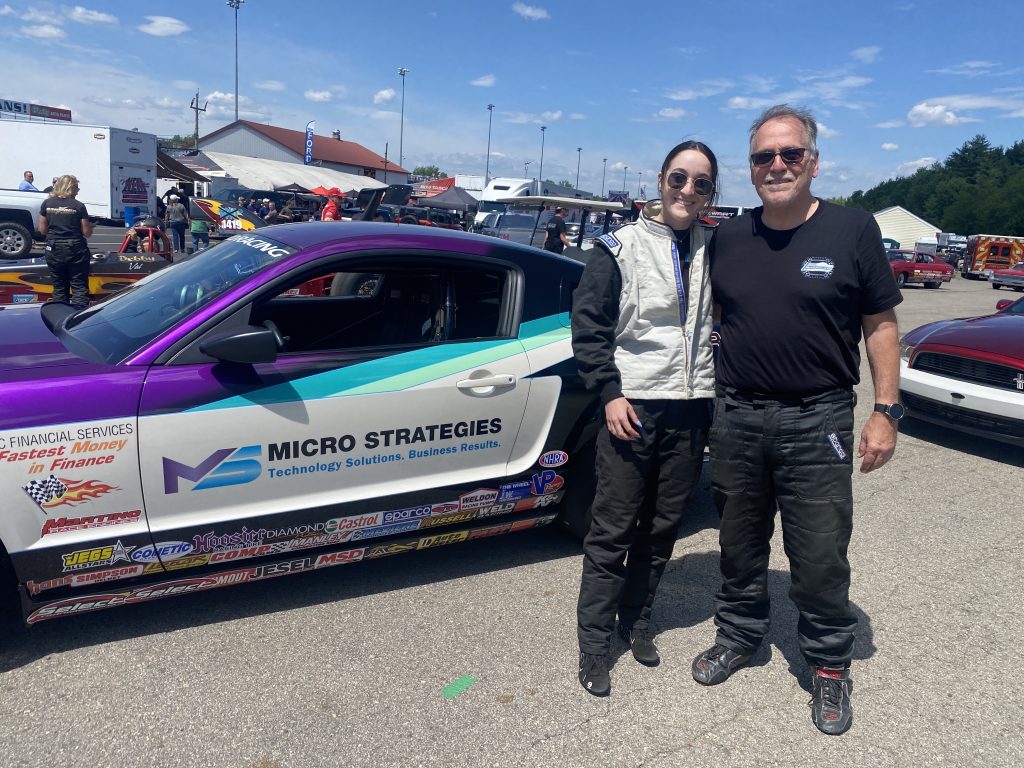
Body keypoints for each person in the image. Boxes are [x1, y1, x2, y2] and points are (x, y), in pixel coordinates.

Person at [692, 104, 902, 736]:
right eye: (764, 157)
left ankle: (830, 664)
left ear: (813, 160)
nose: (776, 165)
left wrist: (886, 411)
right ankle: (741, 633)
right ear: (751, 168)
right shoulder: (728, 236)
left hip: (820, 419)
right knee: (739, 541)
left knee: (818, 553)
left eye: (790, 154)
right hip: (739, 416)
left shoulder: (852, 229)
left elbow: (881, 325)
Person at [572, 141, 720, 697]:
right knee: (612, 532)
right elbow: (588, 328)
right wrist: (609, 393)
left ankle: (636, 621)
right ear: (661, 181)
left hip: (690, 410)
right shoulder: (618, 247)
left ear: (710, 193)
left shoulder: (715, 245)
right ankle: (592, 646)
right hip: (631, 409)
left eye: (701, 183)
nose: (687, 191)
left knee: (660, 531)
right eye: (679, 178)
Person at [38, 174, 93, 308]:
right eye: (77, 188)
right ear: (71, 188)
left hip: (54, 247)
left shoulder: (47, 203)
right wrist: (91, 228)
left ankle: (60, 315)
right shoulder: (78, 206)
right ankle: (78, 317)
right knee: (79, 285)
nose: (78, 191)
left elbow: (42, 230)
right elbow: (86, 232)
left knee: (59, 286)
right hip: (75, 247)